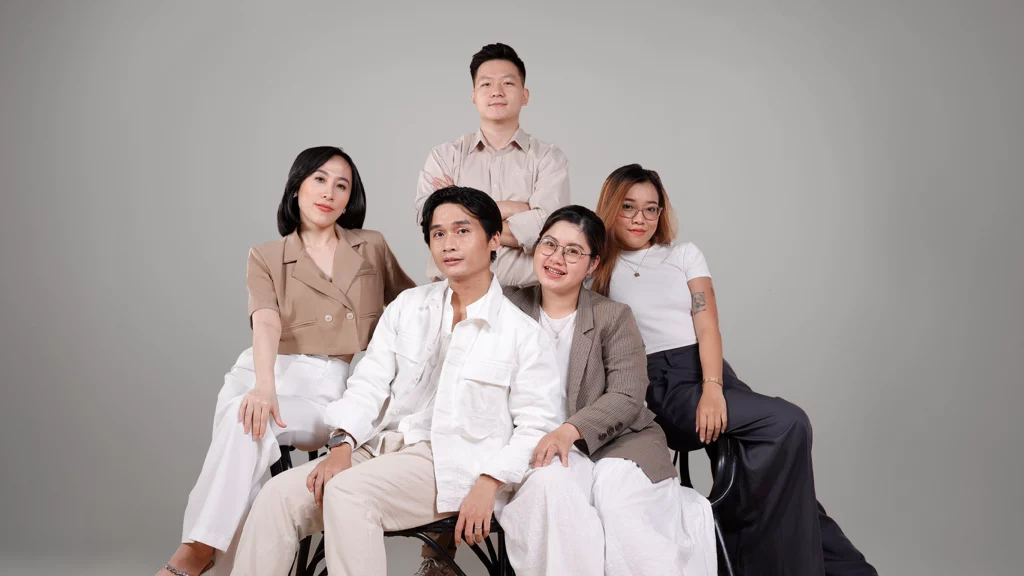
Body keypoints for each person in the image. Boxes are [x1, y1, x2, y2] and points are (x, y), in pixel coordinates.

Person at [229, 186, 564, 576]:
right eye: (438, 234)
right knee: (277, 496)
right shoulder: (409, 307)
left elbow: (537, 426)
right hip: (379, 447)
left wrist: (491, 482)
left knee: (348, 492)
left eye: (462, 231)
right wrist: (341, 445)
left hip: (451, 463)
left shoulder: (523, 334)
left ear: (493, 240)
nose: (448, 244)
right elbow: (368, 384)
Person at [592, 164, 878, 575]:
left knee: (781, 481)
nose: (641, 218)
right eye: (628, 207)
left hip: (711, 372)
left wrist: (713, 387)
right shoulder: (596, 266)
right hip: (661, 385)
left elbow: (707, 325)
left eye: (651, 208)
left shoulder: (683, 254)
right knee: (789, 422)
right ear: (611, 207)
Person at [157, 147, 415, 576]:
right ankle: (206, 553)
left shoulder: (370, 246)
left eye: (341, 185)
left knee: (246, 426)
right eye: (319, 179)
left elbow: (412, 307)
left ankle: (198, 552)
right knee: (247, 421)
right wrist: (264, 387)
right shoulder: (266, 255)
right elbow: (266, 322)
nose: (329, 192)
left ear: (349, 199)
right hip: (265, 370)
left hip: (328, 383)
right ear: (296, 187)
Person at [414, 42, 570, 288]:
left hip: (527, 298)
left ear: (525, 95)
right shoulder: (444, 156)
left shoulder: (549, 158)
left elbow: (550, 229)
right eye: (486, 84)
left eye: (507, 83)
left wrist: (467, 214)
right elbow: (431, 221)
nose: (496, 91)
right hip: (455, 294)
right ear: (474, 96)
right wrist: (519, 209)